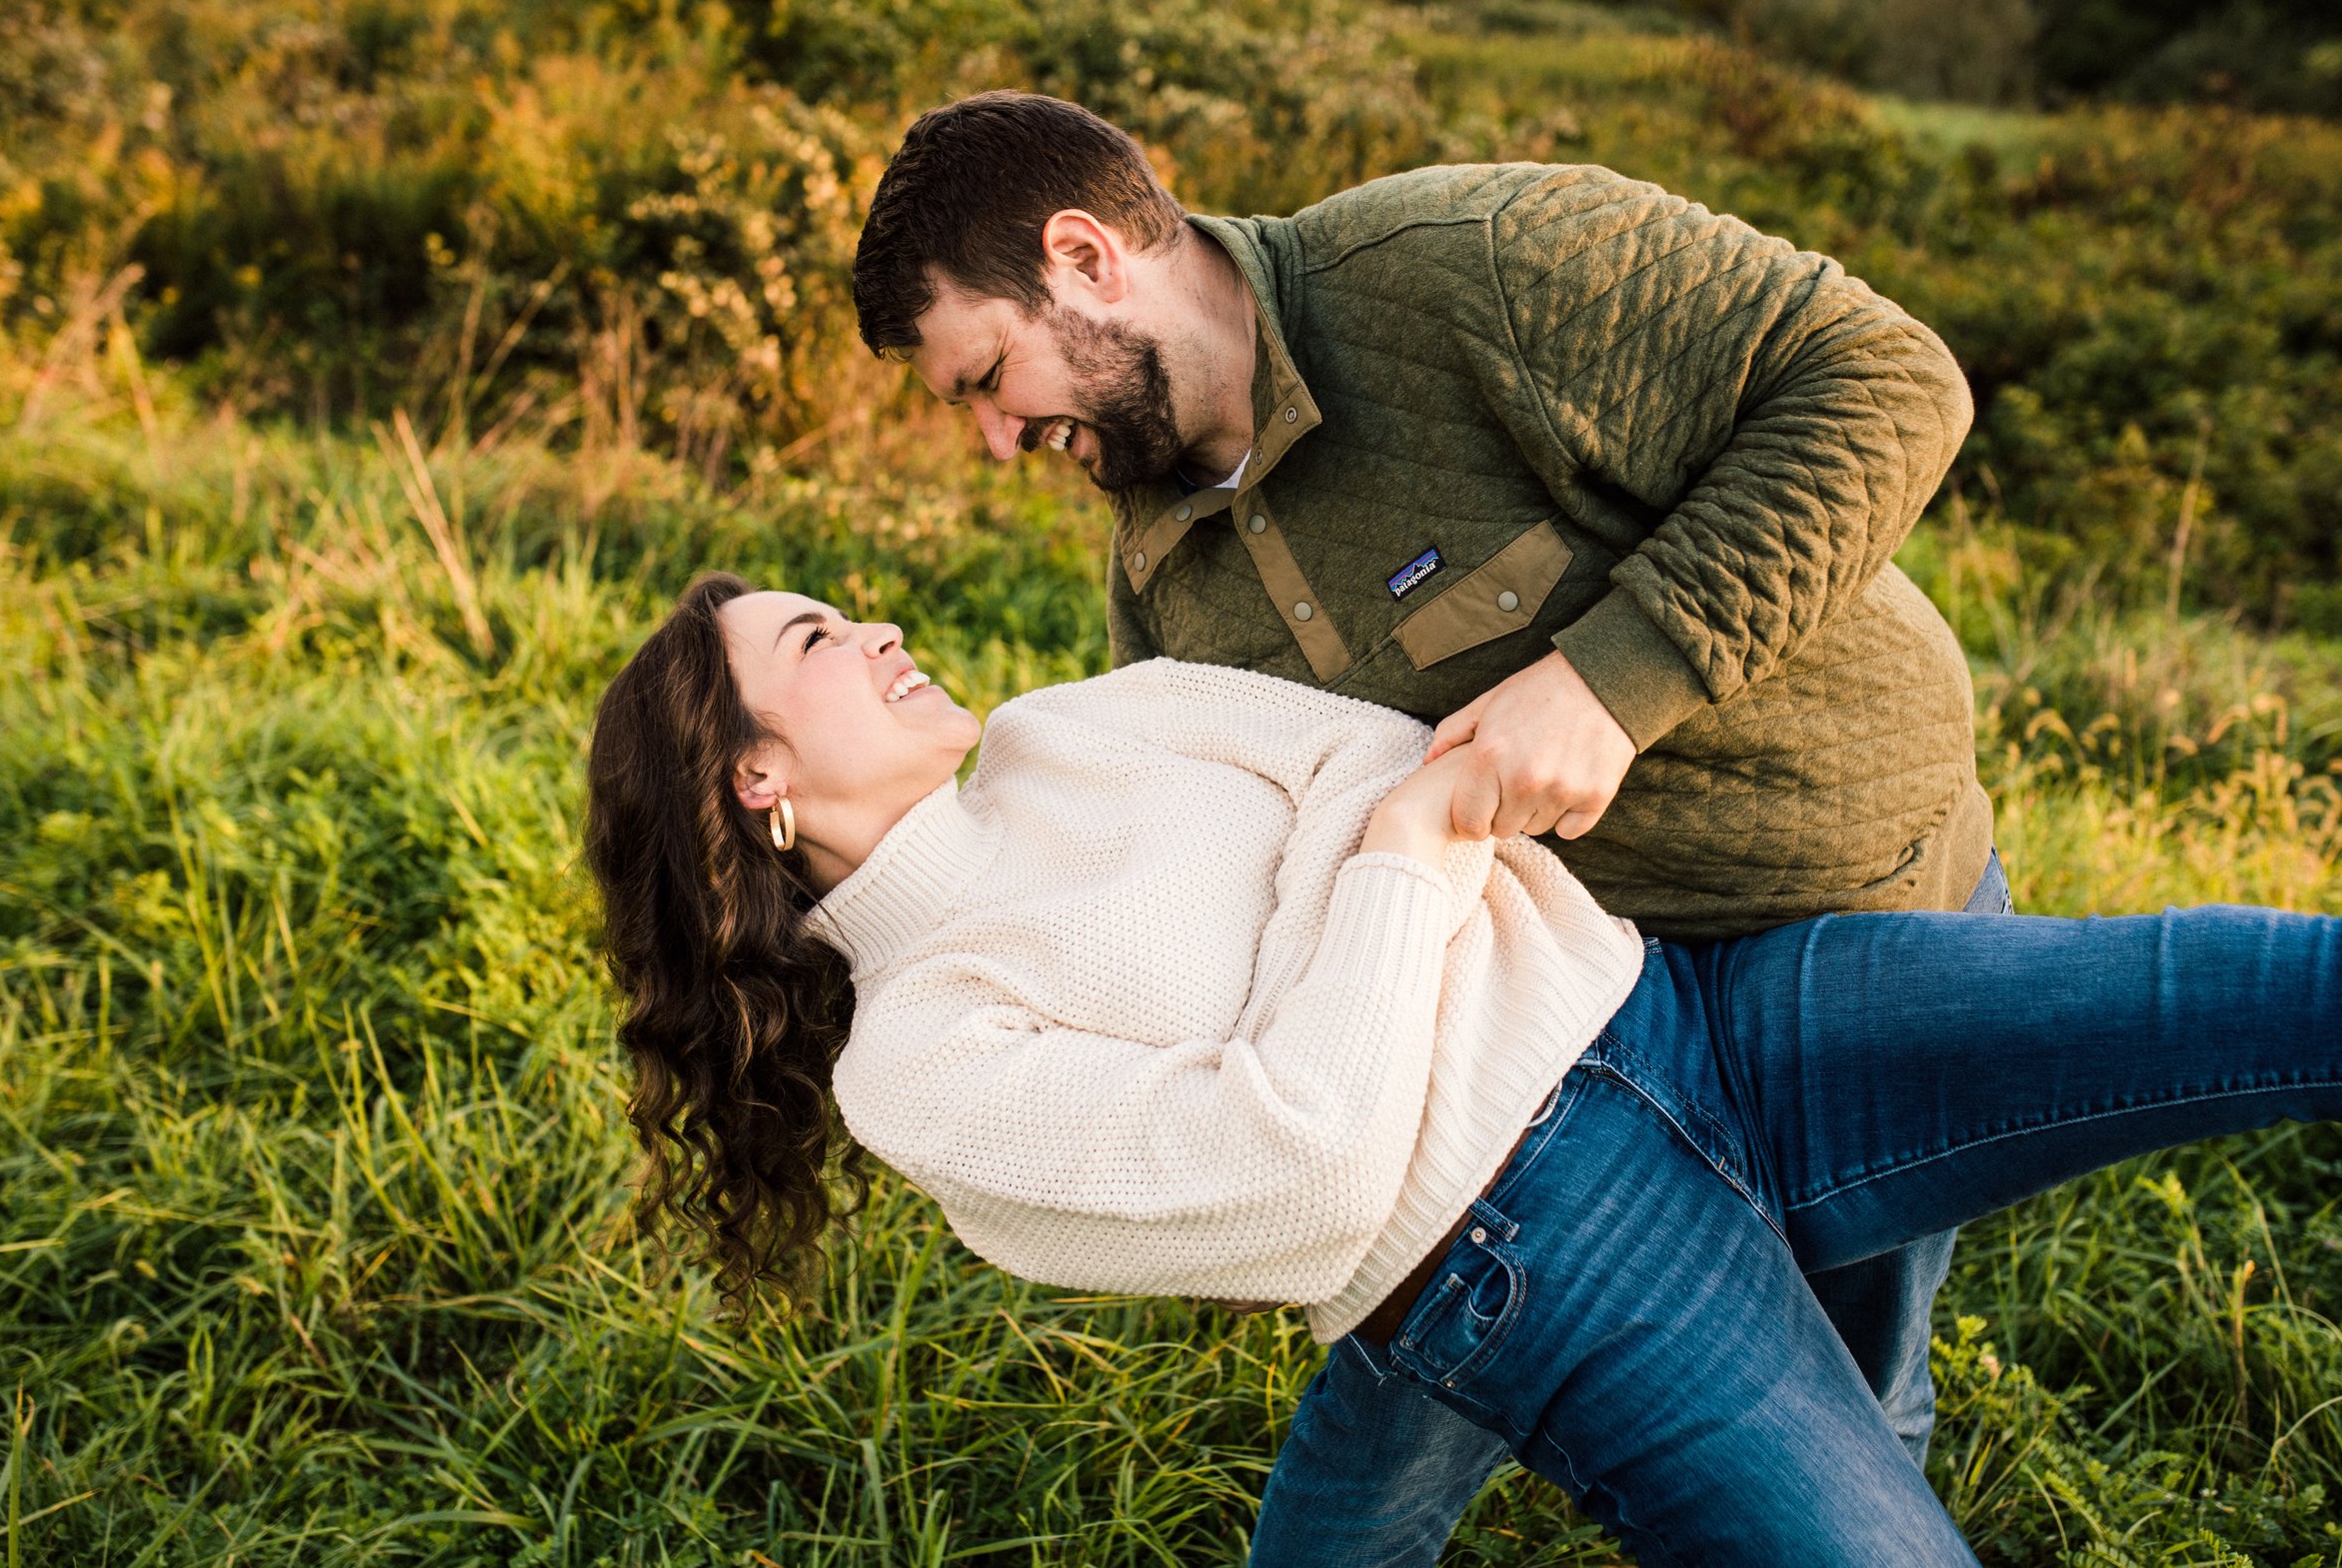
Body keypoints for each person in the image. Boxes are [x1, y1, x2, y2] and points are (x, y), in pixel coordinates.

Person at [585, 574, 2342, 1568]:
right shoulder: (922, 1062)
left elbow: (1385, 765)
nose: (880, 627)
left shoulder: (1093, 722)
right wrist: (1391, 876)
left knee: (2272, 988)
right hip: (1543, 1266)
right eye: (816, 641)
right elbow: (1303, 1167)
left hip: (1690, 1015)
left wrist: (1335, 959)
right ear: (755, 777)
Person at [847, 91, 1992, 1550]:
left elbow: (1887, 379)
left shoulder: (1475, 262)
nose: (1000, 440)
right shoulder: (1160, 585)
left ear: (1085, 257)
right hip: (1540, 1070)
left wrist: (1613, 682)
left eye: (988, 379)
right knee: (1363, 1485)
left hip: (1860, 913)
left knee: (1852, 1390)